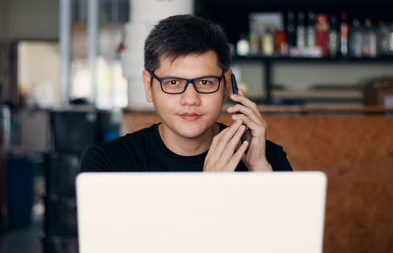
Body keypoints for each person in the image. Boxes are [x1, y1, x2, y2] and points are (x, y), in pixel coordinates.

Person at [81, 14, 292, 172]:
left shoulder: (266, 157)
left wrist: (260, 170)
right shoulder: (107, 163)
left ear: (227, 86)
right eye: (173, 82)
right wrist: (207, 190)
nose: (191, 99)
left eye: (206, 82)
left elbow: (290, 232)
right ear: (149, 86)